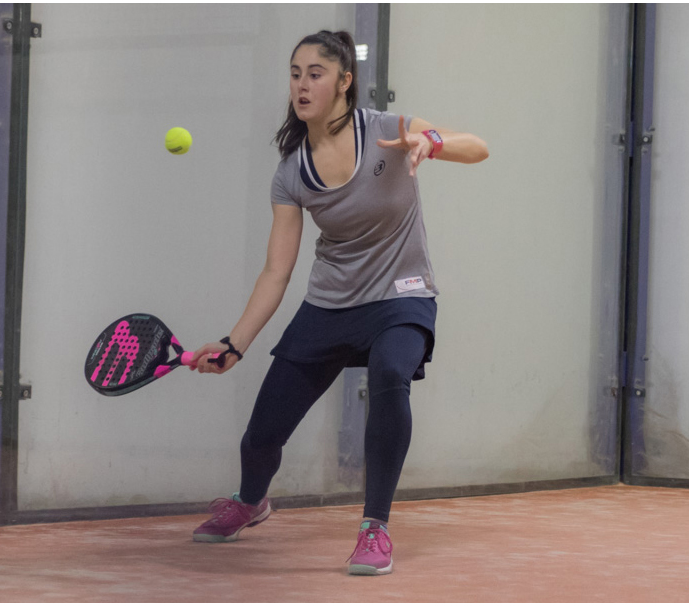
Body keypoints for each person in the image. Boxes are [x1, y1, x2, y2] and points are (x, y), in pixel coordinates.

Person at [186, 30, 488, 576]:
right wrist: (235, 343)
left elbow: (478, 147)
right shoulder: (291, 172)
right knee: (261, 435)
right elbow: (277, 271)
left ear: (344, 81)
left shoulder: (389, 131)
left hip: (401, 295)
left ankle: (375, 527)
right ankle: (250, 501)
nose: (301, 85)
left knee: (391, 374)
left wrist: (433, 141)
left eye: (315, 74)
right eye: (294, 74)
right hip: (330, 305)